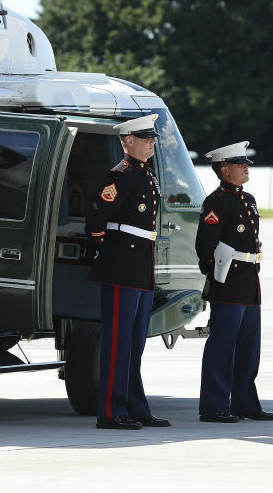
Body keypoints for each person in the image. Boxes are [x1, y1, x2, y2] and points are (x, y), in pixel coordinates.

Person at [84, 114, 170, 430]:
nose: (152, 142)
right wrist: (113, 252)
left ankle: (135, 407)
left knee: (135, 343)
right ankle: (111, 411)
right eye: (145, 138)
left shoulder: (147, 175)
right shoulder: (119, 176)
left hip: (141, 267)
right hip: (122, 267)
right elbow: (95, 223)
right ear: (128, 141)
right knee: (119, 342)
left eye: (152, 138)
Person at [195, 141, 273, 423]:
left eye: (245, 164)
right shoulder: (217, 202)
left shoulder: (248, 199)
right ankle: (214, 406)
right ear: (224, 169)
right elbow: (205, 246)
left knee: (249, 346)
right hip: (228, 281)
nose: (245, 168)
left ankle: (244, 402)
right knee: (223, 345)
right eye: (240, 164)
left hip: (249, 281)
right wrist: (217, 275)